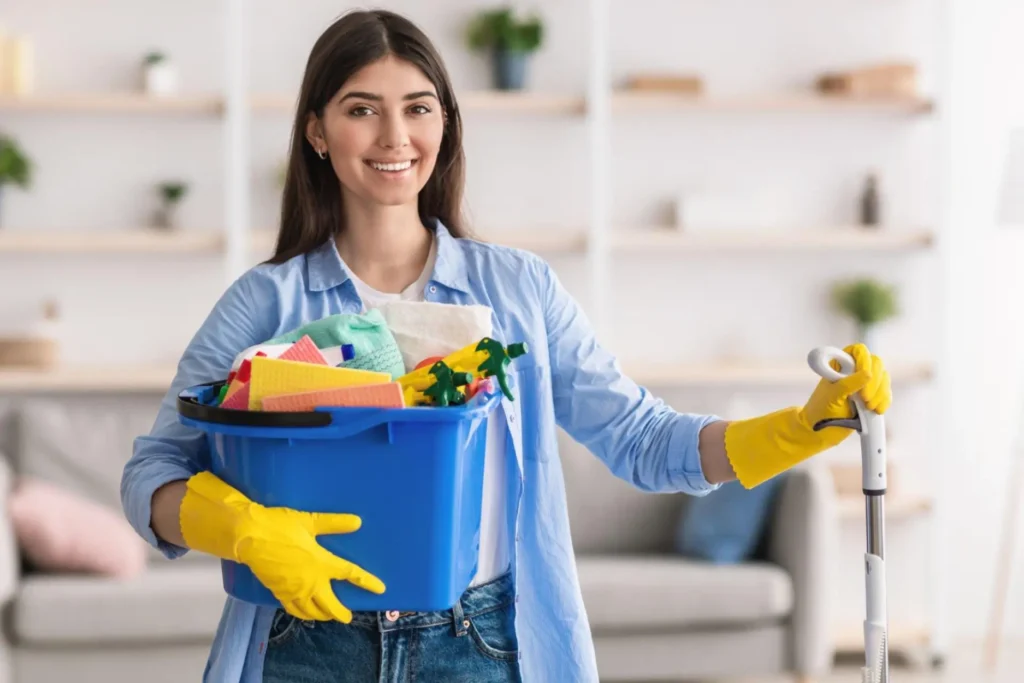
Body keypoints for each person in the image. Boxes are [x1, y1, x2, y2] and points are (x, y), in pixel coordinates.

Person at [121, 9, 892, 683]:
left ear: (446, 123)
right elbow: (152, 471)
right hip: (305, 643)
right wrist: (243, 529)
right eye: (362, 109)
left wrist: (800, 428)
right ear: (317, 130)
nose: (395, 136)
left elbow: (643, 440)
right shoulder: (266, 303)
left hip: (481, 647)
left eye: (418, 108)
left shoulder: (518, 292)